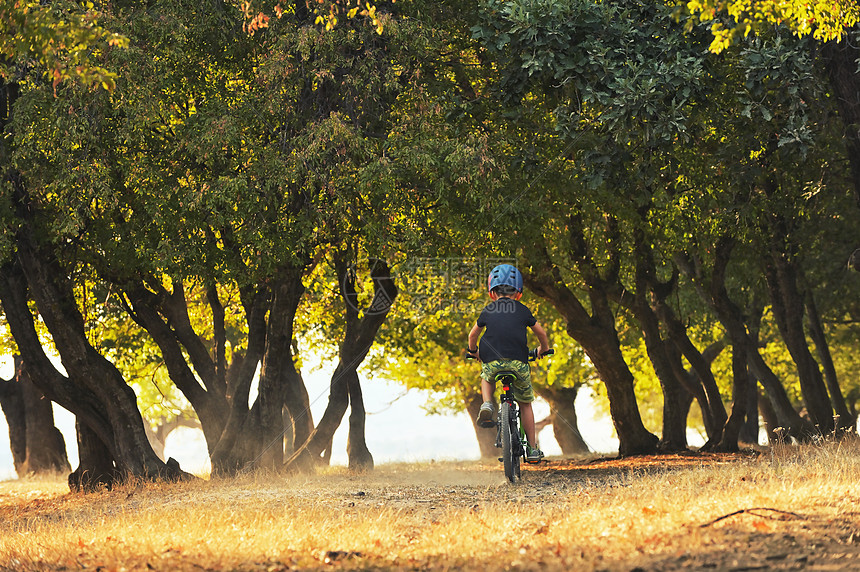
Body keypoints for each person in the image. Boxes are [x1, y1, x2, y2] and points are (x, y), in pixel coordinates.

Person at [466, 263, 551, 462]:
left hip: (492, 361)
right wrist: (543, 348)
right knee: (526, 404)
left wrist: (473, 352)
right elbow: (541, 333)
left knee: (486, 378)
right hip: (519, 363)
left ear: (492, 292)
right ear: (518, 292)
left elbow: (472, 336)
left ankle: (487, 403)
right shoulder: (523, 310)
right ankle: (531, 449)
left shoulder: (487, 310)